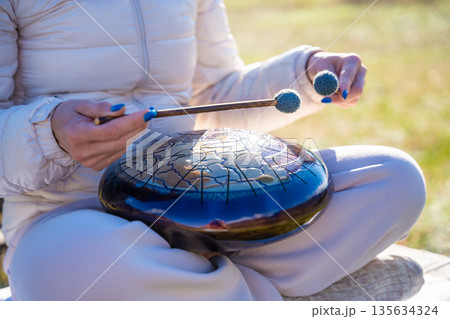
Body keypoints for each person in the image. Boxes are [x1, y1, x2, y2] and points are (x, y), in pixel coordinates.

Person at [0, 1, 426, 300]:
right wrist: (48, 134)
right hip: (71, 220)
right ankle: (289, 298)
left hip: (211, 203)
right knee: (64, 267)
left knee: (391, 178)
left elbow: (216, 94)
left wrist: (304, 75)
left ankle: (203, 294)